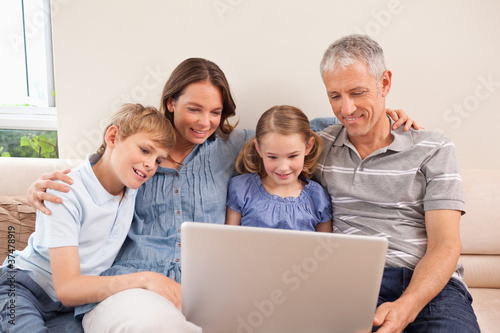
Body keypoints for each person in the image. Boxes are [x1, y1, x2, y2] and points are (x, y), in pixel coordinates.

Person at [26, 57, 415, 332]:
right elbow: (102, 167)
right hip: (134, 288)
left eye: (215, 112)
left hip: (207, 292)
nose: (205, 122)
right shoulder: (139, 154)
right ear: (170, 103)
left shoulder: (231, 145)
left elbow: (303, 128)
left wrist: (384, 115)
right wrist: (42, 184)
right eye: (195, 108)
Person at [314, 34, 480, 333]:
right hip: (352, 284)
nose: (347, 109)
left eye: (358, 92)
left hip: (431, 287)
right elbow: (270, 138)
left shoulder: (434, 148)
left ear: (385, 84)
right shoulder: (319, 146)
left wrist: (407, 306)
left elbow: (446, 244)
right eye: (335, 96)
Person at [0, 104, 176, 333]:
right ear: (113, 137)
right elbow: (68, 287)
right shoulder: (65, 191)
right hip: (21, 290)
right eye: (145, 150)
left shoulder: (133, 188)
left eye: (158, 160)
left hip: (68, 309)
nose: (151, 165)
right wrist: (146, 279)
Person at [226, 105, 332, 232]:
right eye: (272, 157)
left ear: (308, 146)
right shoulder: (242, 189)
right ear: (259, 149)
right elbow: (230, 241)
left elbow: (324, 246)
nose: (283, 168)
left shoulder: (318, 198)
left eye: (292, 156)